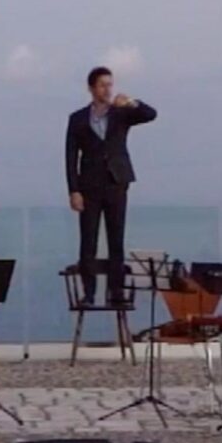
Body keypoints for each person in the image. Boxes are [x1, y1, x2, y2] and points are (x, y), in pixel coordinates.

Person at [65, 65, 158, 307]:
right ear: (91, 88)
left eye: (110, 84)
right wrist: (74, 190)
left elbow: (151, 114)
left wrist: (131, 103)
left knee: (116, 239)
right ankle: (89, 292)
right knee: (89, 241)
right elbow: (70, 155)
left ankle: (116, 290)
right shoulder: (77, 119)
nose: (107, 89)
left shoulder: (120, 113)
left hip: (117, 182)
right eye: (102, 85)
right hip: (89, 186)